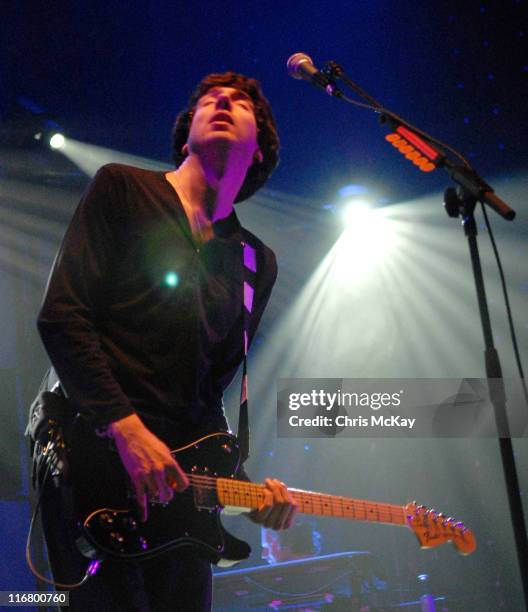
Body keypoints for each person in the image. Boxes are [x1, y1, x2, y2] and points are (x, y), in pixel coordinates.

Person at [34, 71, 298, 611]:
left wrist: (246, 491)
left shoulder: (255, 262)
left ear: (260, 151)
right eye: (209, 100)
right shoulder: (122, 188)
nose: (222, 102)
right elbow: (63, 317)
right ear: (185, 137)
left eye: (241, 103)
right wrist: (127, 429)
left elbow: (207, 395)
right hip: (87, 457)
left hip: (176, 496)